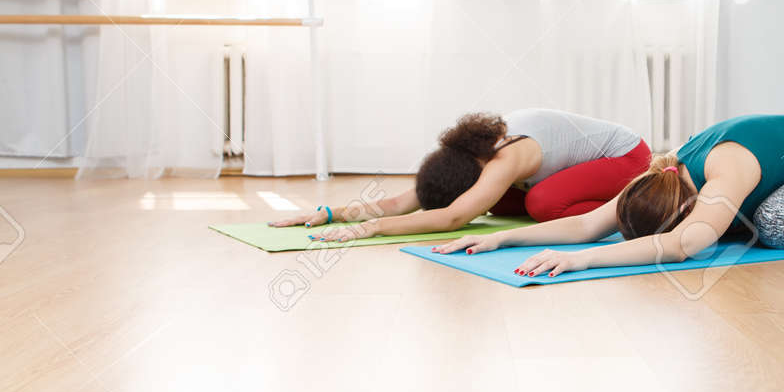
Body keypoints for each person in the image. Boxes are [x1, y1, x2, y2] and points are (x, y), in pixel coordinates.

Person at [433, 114, 784, 276]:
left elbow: (685, 244)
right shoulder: (659, 173)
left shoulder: (725, 172)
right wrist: (501, 238)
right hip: (779, 170)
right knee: (737, 227)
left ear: (686, 210)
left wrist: (584, 260)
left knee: (774, 226)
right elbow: (590, 223)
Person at [269, 109, 651, 242]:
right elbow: (403, 202)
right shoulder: (461, 157)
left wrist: (373, 229)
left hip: (627, 158)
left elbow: (454, 216)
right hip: (576, 167)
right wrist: (332, 213)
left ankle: (634, 203)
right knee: (500, 201)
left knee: (540, 204)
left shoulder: (504, 160)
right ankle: (590, 201)